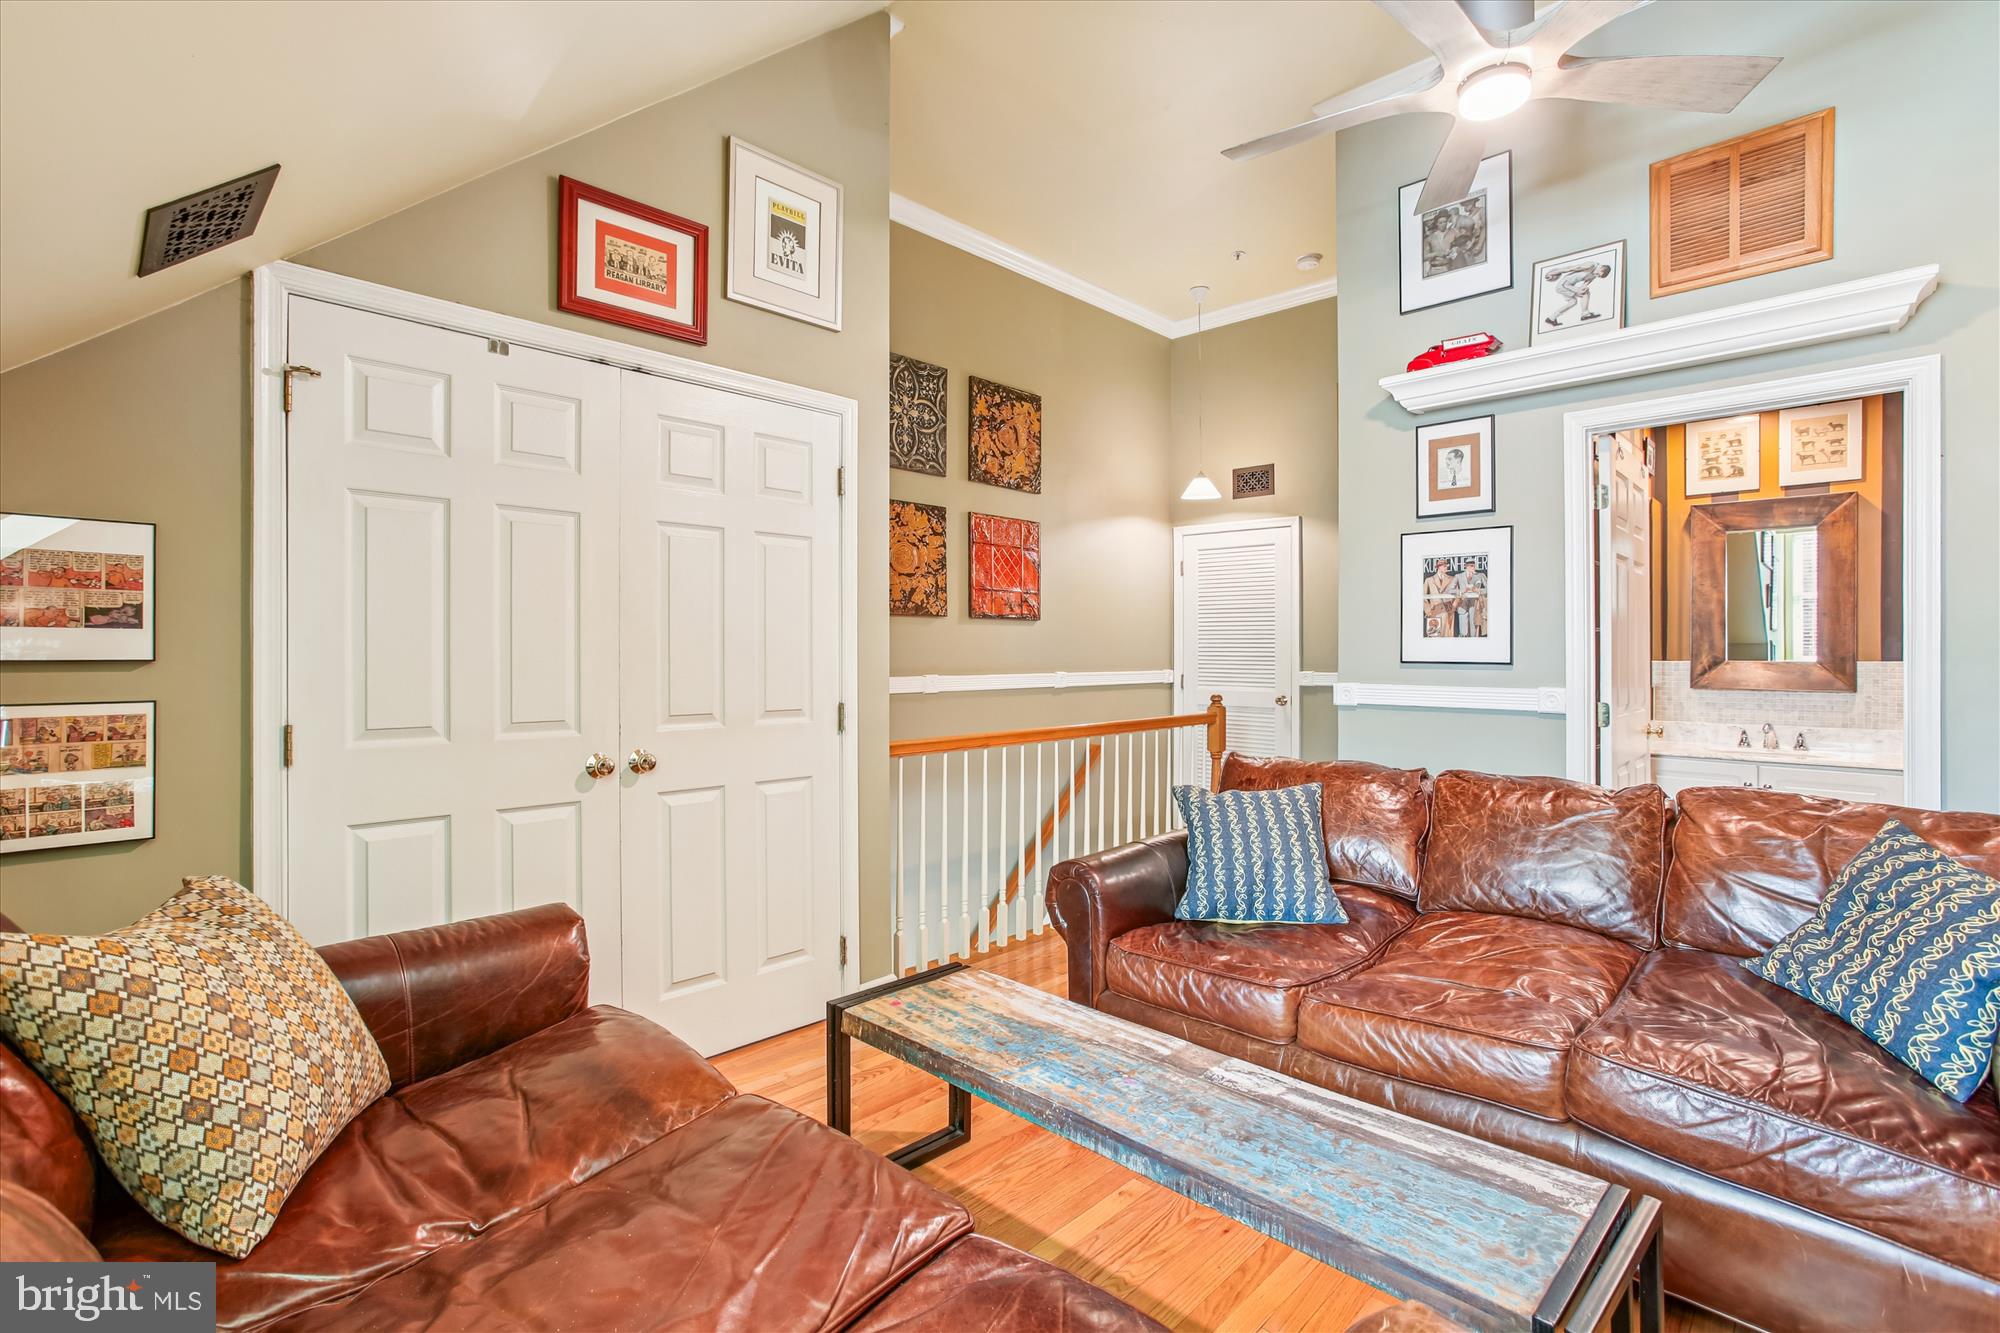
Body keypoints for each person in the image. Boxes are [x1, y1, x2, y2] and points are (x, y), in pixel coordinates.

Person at [1542, 260, 1612, 328]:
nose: (1597, 276)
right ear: (1601, 268)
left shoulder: (1594, 274)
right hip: (1564, 284)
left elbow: (1585, 284)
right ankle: (1585, 314)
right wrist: (1553, 273)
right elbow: (1571, 268)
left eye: (1599, 276)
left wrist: (1582, 289)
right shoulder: (1591, 265)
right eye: (1598, 274)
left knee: (1573, 302)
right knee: (1585, 293)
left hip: (1568, 286)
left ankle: (1551, 318)